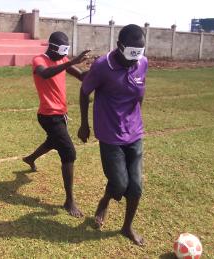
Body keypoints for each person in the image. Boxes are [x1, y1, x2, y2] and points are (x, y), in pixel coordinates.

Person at [77, 24, 148, 245]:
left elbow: (140, 93)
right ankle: (105, 200)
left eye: (139, 54)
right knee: (119, 185)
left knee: (135, 186)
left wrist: (135, 118)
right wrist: (84, 124)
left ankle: (127, 227)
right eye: (131, 54)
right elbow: (84, 91)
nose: (135, 60)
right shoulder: (102, 66)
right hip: (110, 134)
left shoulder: (142, 63)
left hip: (134, 133)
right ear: (119, 46)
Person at [22, 31, 90, 218]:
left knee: (53, 142)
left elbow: (83, 76)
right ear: (52, 47)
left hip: (61, 114)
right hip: (48, 116)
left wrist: (100, 67)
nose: (64, 54)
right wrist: (70, 62)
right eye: (62, 50)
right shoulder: (39, 60)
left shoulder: (62, 59)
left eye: (66, 51)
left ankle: (30, 158)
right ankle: (69, 201)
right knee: (69, 152)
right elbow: (44, 74)